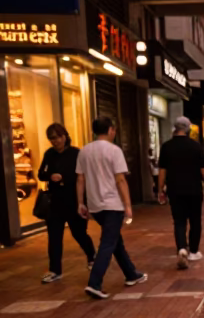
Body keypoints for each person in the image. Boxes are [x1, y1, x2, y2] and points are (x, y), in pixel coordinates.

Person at [76, 117, 146, 299]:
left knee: (115, 241)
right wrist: (128, 206)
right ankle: (94, 283)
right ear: (110, 130)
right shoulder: (114, 151)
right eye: (114, 129)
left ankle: (131, 274)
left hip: (95, 205)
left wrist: (80, 202)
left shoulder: (84, 151)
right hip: (113, 204)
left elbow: (80, 179)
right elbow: (120, 179)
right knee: (108, 242)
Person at [37, 122, 96, 283]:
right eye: (51, 139)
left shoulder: (77, 153)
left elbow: (84, 177)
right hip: (55, 201)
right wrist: (50, 176)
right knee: (54, 236)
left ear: (64, 137)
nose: (55, 142)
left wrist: (84, 201)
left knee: (79, 233)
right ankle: (55, 270)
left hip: (74, 199)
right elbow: (41, 173)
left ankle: (92, 256)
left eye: (57, 138)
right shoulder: (49, 154)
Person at [157, 115, 204, 268]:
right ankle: (194, 251)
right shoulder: (195, 146)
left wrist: (160, 189)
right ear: (188, 129)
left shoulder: (166, 147)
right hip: (194, 190)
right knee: (195, 220)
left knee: (179, 221)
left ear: (175, 128)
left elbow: (162, 171)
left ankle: (182, 248)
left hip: (175, 190)